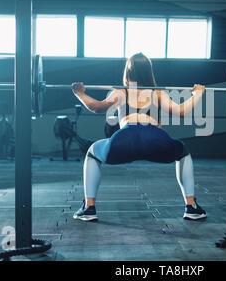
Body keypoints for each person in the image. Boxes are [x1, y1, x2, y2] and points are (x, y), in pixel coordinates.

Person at [71, 52, 206, 221]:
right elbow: (180, 111)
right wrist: (198, 94)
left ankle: (89, 208)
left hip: (124, 140)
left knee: (92, 152)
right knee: (182, 150)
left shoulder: (121, 92)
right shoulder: (157, 93)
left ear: (127, 72)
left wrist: (80, 94)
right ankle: (191, 206)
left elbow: (97, 107)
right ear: (149, 72)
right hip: (155, 139)